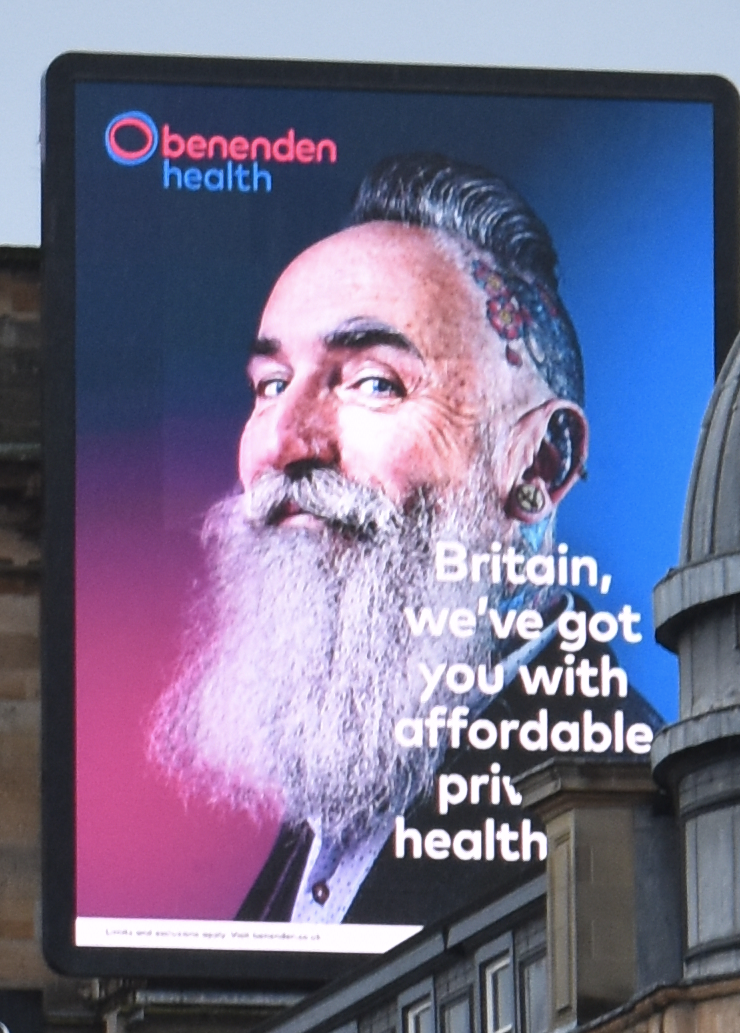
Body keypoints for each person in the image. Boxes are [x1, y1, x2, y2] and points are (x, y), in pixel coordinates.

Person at [149, 151, 659, 927]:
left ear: (542, 464)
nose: (284, 442)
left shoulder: (633, 807)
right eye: (271, 386)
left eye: (373, 383)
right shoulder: (349, 777)